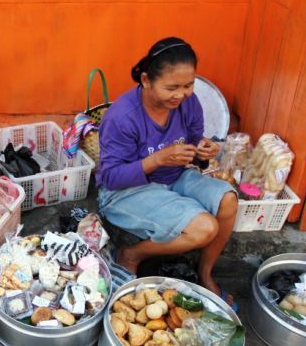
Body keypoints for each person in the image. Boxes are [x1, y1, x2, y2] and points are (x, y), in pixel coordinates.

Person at [97, 37, 238, 308]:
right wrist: (157, 159)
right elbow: (110, 178)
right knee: (205, 228)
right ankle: (131, 255)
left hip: (174, 176)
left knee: (228, 200)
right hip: (125, 192)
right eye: (171, 87)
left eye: (188, 85)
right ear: (147, 80)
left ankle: (205, 274)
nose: (181, 94)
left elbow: (194, 141)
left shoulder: (188, 103)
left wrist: (203, 150)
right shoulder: (122, 116)